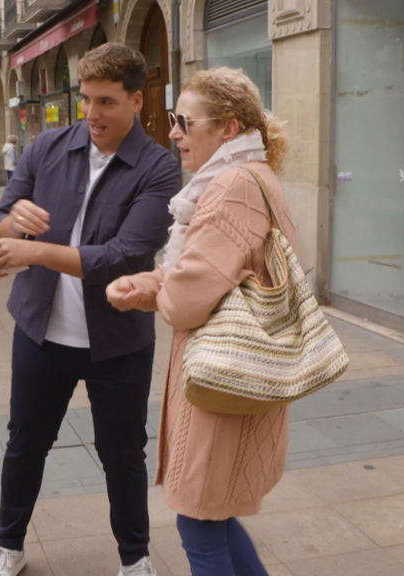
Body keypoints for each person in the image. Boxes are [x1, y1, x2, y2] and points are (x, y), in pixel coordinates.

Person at [0, 43, 180, 576]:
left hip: (119, 342)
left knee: (122, 455)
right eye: (86, 100)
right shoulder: (47, 147)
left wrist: (34, 250)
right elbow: (0, 217)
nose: (92, 114)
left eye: (107, 102)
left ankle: (135, 560)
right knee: (25, 445)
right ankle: (9, 546)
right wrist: (10, 222)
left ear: (137, 101)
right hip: (42, 333)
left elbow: (122, 255)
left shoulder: (159, 168)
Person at [105, 68, 292, 576]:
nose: (173, 132)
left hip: (223, 382)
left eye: (184, 121)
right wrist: (151, 285)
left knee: (200, 521)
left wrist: (154, 292)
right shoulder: (246, 176)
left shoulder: (231, 186)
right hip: (235, 376)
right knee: (215, 516)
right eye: (172, 119)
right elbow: (203, 272)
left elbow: (189, 299)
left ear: (228, 129)